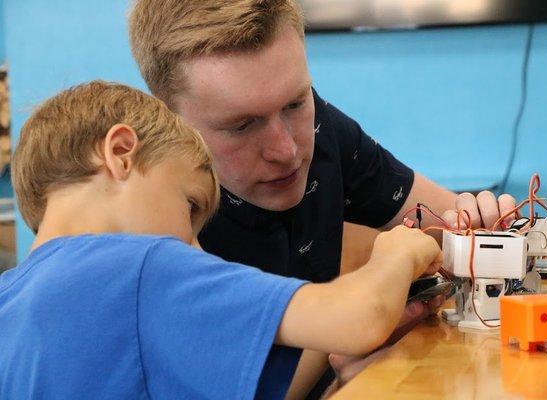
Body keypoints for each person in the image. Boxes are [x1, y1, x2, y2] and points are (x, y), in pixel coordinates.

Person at [128, 1, 517, 395]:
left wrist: (480, 219)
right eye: (242, 125)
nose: (287, 150)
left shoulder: (324, 129)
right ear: (172, 120)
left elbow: (451, 221)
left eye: (296, 102)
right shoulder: (150, 224)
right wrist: (353, 335)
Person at [0, 81, 442, 399]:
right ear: (120, 154)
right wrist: (398, 251)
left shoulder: (12, 298)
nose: (194, 247)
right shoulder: (139, 266)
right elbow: (359, 318)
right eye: (189, 206)